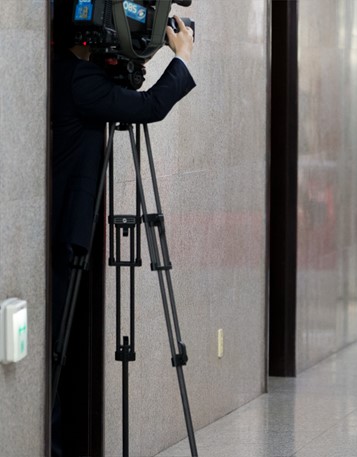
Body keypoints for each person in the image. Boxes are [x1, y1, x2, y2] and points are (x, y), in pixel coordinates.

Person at [51, 2, 196, 455]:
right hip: (64, 234)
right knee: (53, 348)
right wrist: (181, 57)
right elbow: (150, 107)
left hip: (60, 228)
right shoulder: (81, 81)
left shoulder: (66, 71)